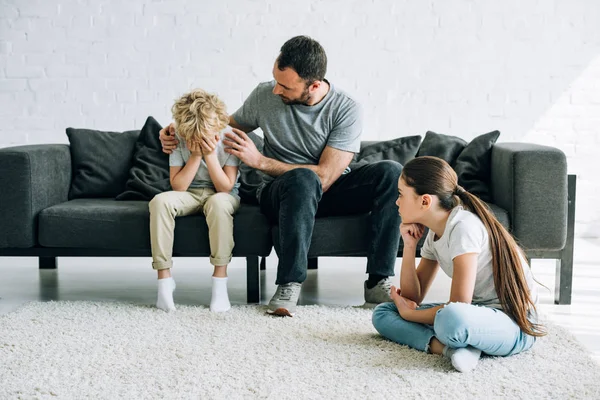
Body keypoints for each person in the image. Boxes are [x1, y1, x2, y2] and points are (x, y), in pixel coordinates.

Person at [160, 36, 402, 316]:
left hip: (327, 188)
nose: (275, 90)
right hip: (280, 192)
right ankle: (289, 283)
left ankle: (378, 280)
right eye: (275, 80)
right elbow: (218, 124)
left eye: (285, 86)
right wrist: (174, 130)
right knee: (301, 179)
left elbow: (325, 176)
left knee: (391, 172)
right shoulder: (265, 95)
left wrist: (260, 160)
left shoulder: (346, 109)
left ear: (313, 86)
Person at [371, 156, 545, 372]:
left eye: (400, 194)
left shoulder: (463, 227)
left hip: (515, 323)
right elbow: (412, 298)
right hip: (475, 313)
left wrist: (411, 315)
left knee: (451, 319)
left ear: (425, 201)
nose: (396, 201)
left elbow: (459, 305)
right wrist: (408, 246)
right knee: (383, 313)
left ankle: (464, 340)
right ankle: (451, 349)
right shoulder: (435, 231)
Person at [150, 88, 241, 313]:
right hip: (189, 193)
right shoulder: (178, 137)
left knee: (218, 203)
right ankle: (164, 281)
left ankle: (220, 283)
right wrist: (195, 155)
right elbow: (178, 186)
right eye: (193, 137)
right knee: (159, 201)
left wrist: (209, 155)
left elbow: (225, 187)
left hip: (222, 195)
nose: (199, 140)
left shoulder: (229, 138)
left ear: (217, 125)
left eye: (204, 136)